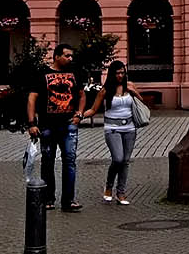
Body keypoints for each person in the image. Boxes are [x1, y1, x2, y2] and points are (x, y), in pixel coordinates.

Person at [27, 44, 83, 212]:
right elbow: (32, 99)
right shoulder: (42, 74)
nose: (70, 59)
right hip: (47, 125)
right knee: (48, 162)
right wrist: (32, 123)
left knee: (70, 162)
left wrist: (79, 114)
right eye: (67, 55)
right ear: (57, 56)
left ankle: (68, 200)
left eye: (71, 56)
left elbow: (81, 95)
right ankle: (48, 199)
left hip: (68, 125)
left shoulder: (75, 73)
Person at [82, 60, 141, 205]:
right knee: (118, 159)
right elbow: (93, 109)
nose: (120, 75)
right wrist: (80, 115)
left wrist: (134, 93)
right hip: (112, 128)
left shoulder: (130, 86)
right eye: (117, 73)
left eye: (122, 72)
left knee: (125, 161)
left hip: (129, 128)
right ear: (112, 74)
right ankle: (109, 186)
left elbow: (141, 102)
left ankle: (121, 193)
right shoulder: (105, 90)